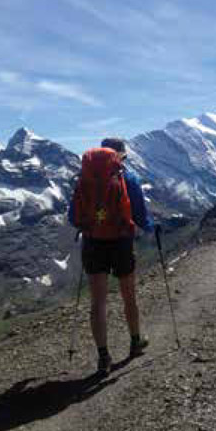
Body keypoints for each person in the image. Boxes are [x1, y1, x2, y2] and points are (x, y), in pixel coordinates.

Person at [69, 137, 156, 375]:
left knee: (98, 302)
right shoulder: (128, 178)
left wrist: (93, 223)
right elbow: (140, 217)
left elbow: (73, 217)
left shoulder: (84, 179)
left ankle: (103, 356)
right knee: (128, 295)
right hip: (121, 243)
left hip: (93, 243)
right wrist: (153, 228)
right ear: (121, 156)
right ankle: (136, 341)